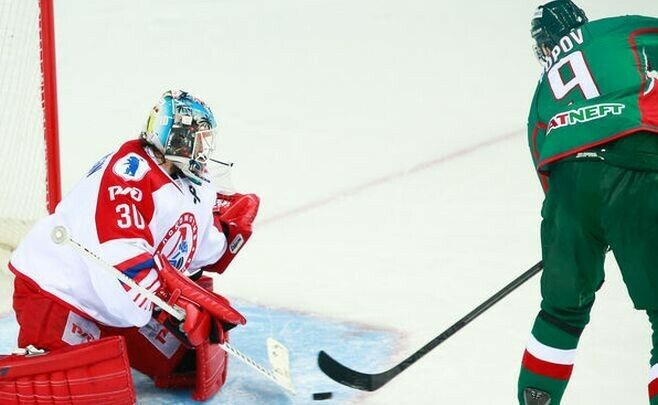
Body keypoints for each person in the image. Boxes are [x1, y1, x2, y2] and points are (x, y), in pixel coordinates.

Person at [0, 90, 259, 402]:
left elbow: (190, 248)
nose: (203, 152)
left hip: (118, 299)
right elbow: (121, 260)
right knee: (86, 389)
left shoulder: (193, 181)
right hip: (60, 292)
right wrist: (175, 307)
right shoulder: (128, 175)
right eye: (198, 142)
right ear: (176, 139)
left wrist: (226, 235)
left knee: (185, 362)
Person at [518, 2, 658, 404]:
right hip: (636, 169)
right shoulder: (618, 30)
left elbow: (544, 169)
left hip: (570, 190)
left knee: (560, 314)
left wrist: (582, 228)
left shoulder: (542, 92)